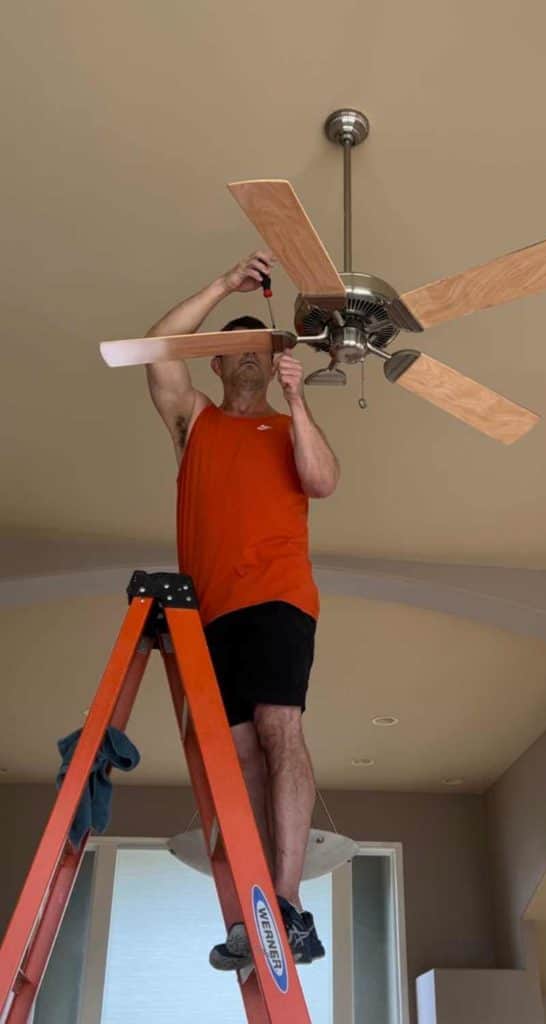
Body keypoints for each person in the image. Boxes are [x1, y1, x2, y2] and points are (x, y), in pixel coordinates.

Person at [144, 249, 339, 969]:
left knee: (277, 732)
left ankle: (284, 901)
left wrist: (298, 399)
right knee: (239, 755)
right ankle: (264, 900)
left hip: (279, 597)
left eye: (259, 350)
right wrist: (222, 284)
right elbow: (160, 350)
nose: (246, 361)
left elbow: (322, 483)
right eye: (231, 352)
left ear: (273, 360)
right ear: (217, 366)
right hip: (208, 614)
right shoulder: (195, 420)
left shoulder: (290, 431)